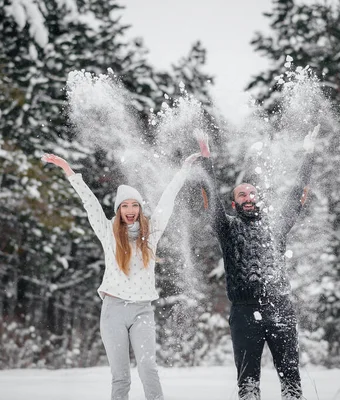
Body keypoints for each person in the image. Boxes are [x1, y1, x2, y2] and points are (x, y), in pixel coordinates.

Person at [42, 152, 198, 400]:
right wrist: (67, 170)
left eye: (134, 205)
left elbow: (167, 201)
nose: (130, 210)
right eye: (125, 205)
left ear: (139, 208)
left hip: (142, 311)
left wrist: (183, 171)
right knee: (121, 376)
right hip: (113, 310)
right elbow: (89, 202)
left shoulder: (152, 233)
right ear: (118, 209)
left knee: (148, 369)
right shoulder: (107, 232)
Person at [196, 126, 319, 400]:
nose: (248, 198)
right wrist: (206, 156)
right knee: (248, 384)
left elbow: (297, 195)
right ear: (234, 202)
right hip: (244, 312)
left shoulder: (275, 226)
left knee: (291, 382)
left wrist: (309, 154)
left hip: (280, 309)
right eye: (242, 195)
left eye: (252, 194)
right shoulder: (226, 228)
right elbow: (210, 196)